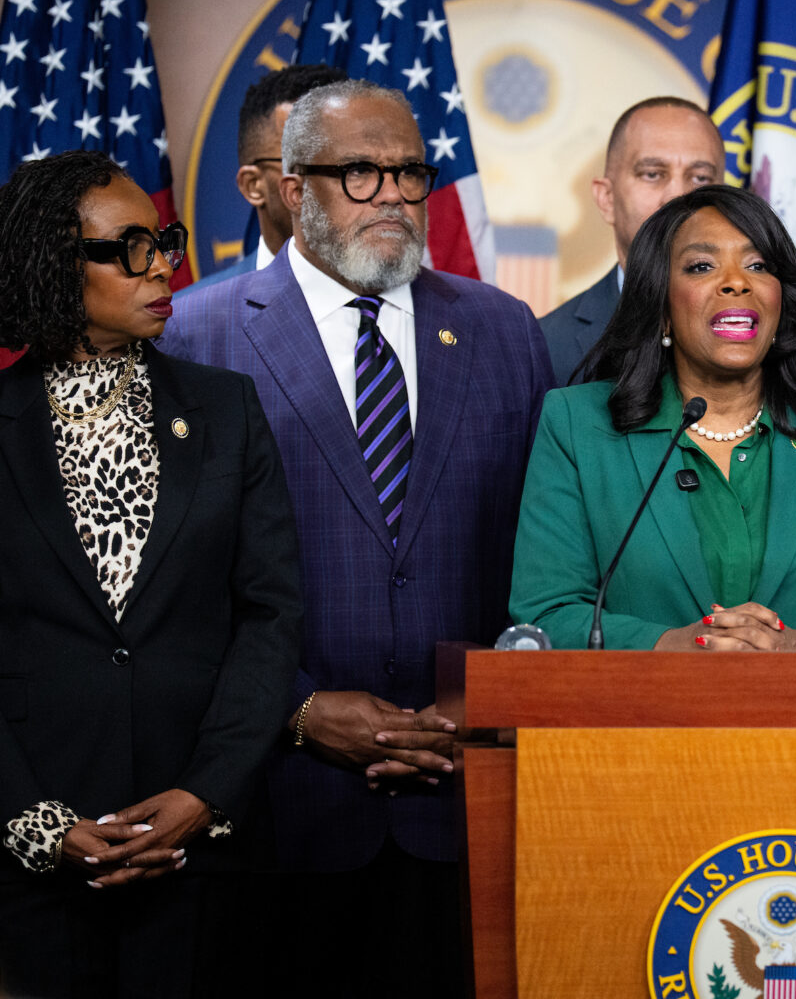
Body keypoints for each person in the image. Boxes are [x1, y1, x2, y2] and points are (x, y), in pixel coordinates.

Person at [161, 79, 554, 997]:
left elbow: (540, 559)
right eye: (361, 173)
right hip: (277, 812)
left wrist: (486, 695)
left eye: (410, 173)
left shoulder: (501, 330)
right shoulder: (195, 337)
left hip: (467, 803)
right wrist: (295, 712)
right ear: (293, 189)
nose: (393, 197)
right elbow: (175, 587)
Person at [0, 151, 302, 996]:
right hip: (35, 858)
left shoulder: (226, 409)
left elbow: (269, 615)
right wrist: (33, 821)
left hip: (206, 848)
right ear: (55, 268)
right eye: (129, 248)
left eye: (162, 241)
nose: (164, 265)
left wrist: (206, 792)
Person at [511, 184, 796, 652]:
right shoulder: (576, 425)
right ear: (662, 309)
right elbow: (546, 615)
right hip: (643, 721)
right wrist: (669, 646)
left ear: (780, 301)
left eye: (757, 265)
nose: (737, 282)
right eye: (702, 266)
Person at [540, 96, 726, 384]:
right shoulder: (546, 347)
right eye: (652, 174)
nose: (677, 197)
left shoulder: (773, 332)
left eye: (700, 178)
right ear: (607, 199)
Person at [180, 63, 348, 294]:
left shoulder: (409, 303)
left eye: (358, 166)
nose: (344, 183)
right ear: (253, 186)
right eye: (307, 163)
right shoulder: (190, 320)